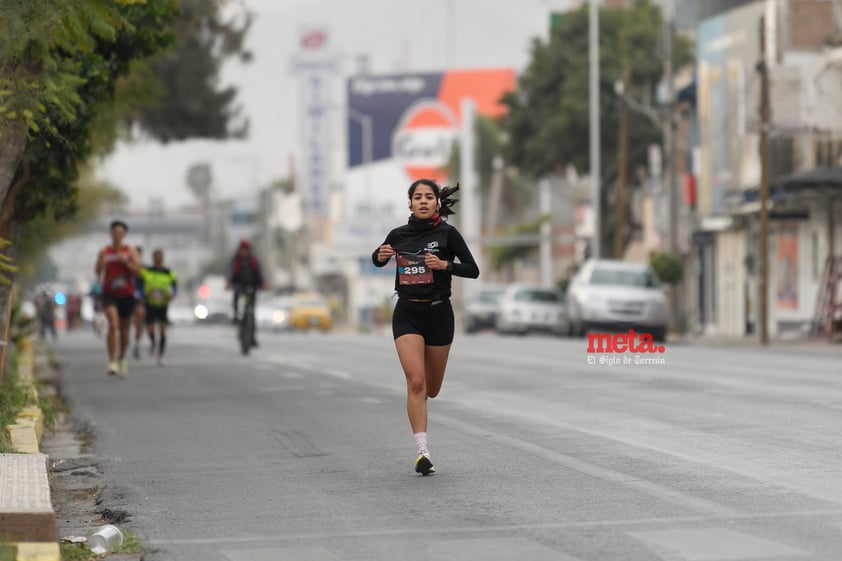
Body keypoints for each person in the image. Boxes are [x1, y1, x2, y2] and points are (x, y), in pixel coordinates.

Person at [371, 179, 479, 475]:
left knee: (432, 387)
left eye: (428, 197)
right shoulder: (398, 234)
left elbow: (473, 269)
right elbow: (378, 257)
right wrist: (379, 257)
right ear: (409, 204)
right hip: (407, 313)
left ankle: (423, 403)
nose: (422, 201)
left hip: (439, 313)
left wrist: (445, 266)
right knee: (415, 382)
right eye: (417, 197)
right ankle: (422, 452)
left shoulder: (448, 234)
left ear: (436, 203)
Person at [94, 220, 141, 377]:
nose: (117, 235)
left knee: (124, 330)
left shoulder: (130, 251)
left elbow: (138, 271)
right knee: (113, 324)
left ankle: (121, 358)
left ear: (124, 235)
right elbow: (97, 271)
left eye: (120, 233)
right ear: (111, 234)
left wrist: (126, 262)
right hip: (109, 293)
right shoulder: (104, 251)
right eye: (115, 232)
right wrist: (102, 265)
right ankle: (112, 360)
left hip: (126, 294)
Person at [225, 239, 267, 346]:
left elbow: (260, 271)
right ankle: (235, 315)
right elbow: (230, 271)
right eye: (242, 250)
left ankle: (251, 335)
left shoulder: (253, 260)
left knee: (251, 311)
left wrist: (263, 282)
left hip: (252, 286)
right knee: (236, 298)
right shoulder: (236, 259)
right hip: (239, 286)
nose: (243, 252)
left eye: (246, 250)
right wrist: (229, 282)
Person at [141, 249, 178, 366]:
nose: (158, 261)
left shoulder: (168, 272)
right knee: (151, 329)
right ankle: (153, 342)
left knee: (162, 330)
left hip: (163, 304)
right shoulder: (146, 271)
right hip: (150, 304)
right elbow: (139, 284)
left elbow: (175, 285)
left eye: (160, 258)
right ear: (153, 259)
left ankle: (160, 355)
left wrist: (173, 295)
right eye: (156, 259)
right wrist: (142, 295)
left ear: (162, 259)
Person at [132, 246, 146, 359]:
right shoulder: (124, 266)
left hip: (138, 299)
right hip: (125, 297)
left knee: (139, 320)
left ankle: (137, 343)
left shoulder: (144, 269)